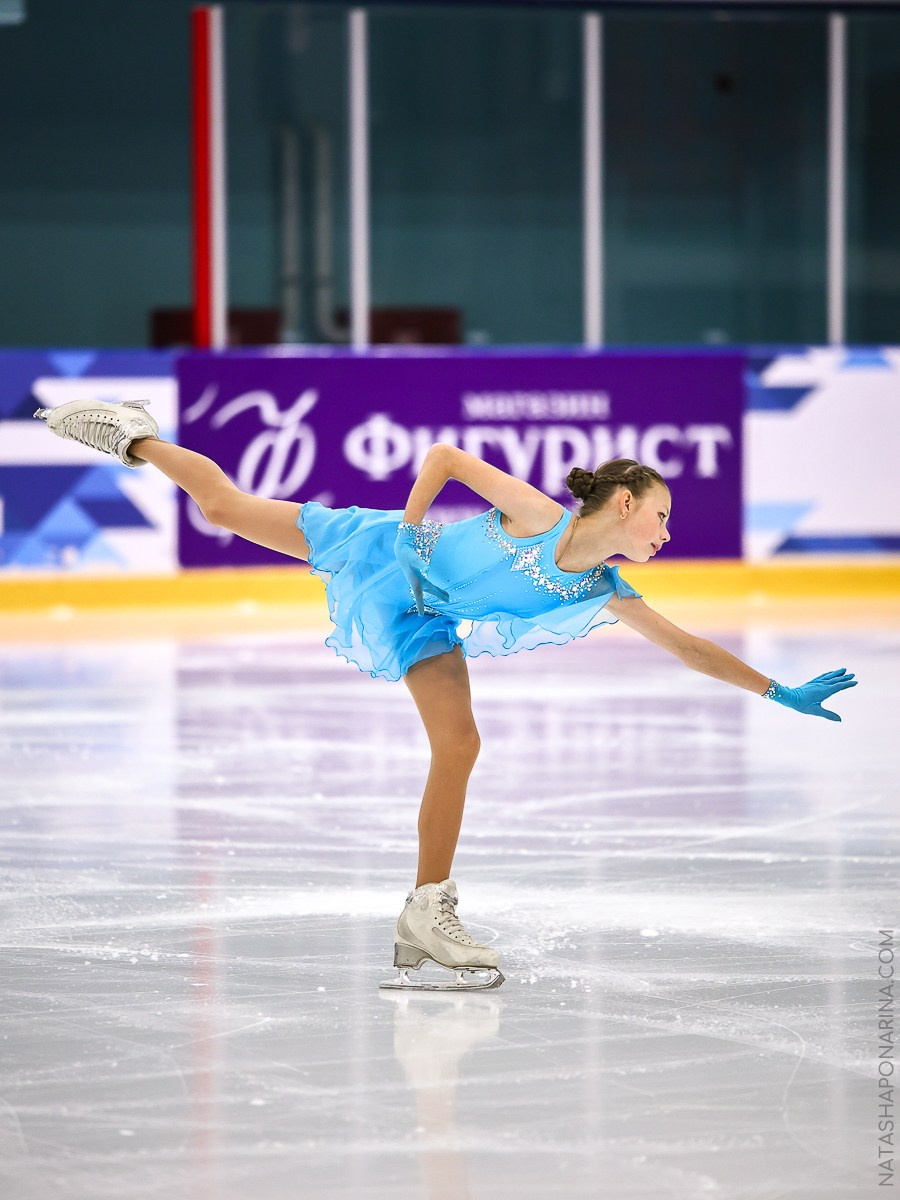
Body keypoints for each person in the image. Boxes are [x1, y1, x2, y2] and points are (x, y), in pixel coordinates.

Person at [34, 398, 857, 992]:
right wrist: (406, 527)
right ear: (624, 502)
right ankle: (135, 434)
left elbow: (688, 647)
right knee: (222, 507)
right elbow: (445, 458)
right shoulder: (539, 516)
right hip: (380, 551)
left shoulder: (600, 588)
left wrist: (778, 690)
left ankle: (427, 910)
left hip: (425, 619)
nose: (667, 534)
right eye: (661, 517)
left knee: (459, 744)